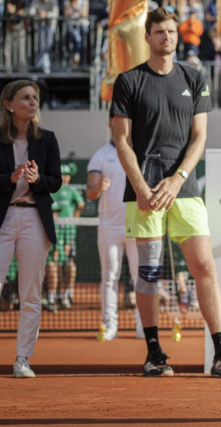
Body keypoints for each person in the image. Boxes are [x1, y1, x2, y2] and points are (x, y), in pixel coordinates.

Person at [110, 7, 221, 378]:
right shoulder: (128, 81)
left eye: (172, 31)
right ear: (147, 37)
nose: (167, 37)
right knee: (149, 272)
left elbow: (199, 137)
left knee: (204, 265)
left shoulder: (194, 76)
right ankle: (154, 353)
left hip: (185, 188)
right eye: (160, 31)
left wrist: (178, 179)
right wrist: (141, 187)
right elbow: (122, 141)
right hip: (144, 190)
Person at [0, 80, 61, 378]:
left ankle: (23, 359)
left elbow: (55, 181)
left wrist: (38, 180)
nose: (32, 102)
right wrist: (11, 178)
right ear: (9, 104)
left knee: (31, 294)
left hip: (34, 220)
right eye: (25, 97)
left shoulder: (48, 139)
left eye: (35, 97)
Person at [87, 117, 143, 341]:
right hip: (109, 228)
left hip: (137, 226)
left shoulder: (139, 151)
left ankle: (143, 326)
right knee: (109, 277)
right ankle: (109, 326)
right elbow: (90, 192)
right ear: (110, 124)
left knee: (141, 278)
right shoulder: (101, 155)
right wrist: (98, 187)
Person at [46, 163, 85, 311]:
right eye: (62, 174)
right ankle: (52, 296)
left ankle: (67, 294)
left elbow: (80, 204)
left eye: (66, 175)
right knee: (53, 264)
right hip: (52, 232)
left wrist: (74, 220)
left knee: (68, 264)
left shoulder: (71, 190)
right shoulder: (51, 190)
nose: (64, 177)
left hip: (68, 232)